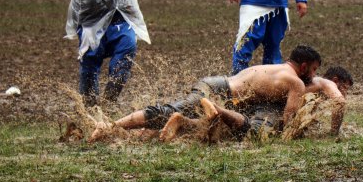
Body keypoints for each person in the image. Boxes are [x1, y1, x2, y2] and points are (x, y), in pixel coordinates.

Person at [89, 45, 322, 142]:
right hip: (220, 93)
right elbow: (291, 120)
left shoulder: (275, 69)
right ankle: (109, 127)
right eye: (312, 70)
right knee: (250, 134)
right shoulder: (296, 83)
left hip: (215, 85)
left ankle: (128, 131)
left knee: (173, 111)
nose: (312, 76)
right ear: (303, 67)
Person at [163, 66, 353, 142]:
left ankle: (180, 123)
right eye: (345, 87)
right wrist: (333, 133)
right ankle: (196, 117)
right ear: (336, 80)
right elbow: (339, 102)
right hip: (264, 108)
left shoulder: (311, 89)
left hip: (255, 102)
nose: (344, 93)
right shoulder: (325, 83)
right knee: (251, 136)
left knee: (226, 130)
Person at [62, 0, 151, 107]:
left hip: (121, 12)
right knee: (90, 62)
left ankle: (108, 104)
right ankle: (90, 112)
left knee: (127, 49)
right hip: (92, 16)